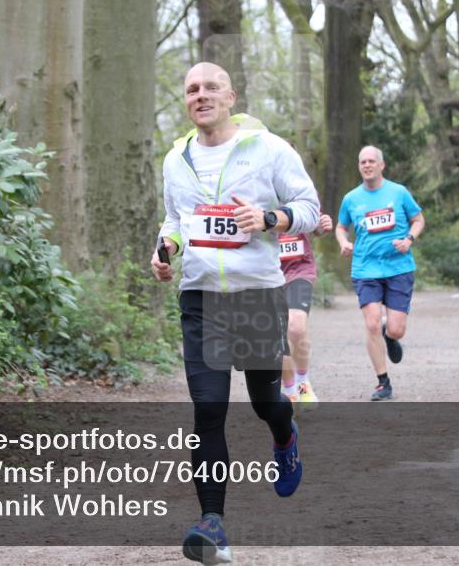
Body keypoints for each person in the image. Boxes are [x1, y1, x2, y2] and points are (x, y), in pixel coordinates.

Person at [151, 62, 320, 565]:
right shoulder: (174, 160)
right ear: (186, 101)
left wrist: (271, 218)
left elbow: (308, 205)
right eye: (191, 89)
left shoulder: (268, 149)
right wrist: (166, 247)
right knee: (208, 410)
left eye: (210, 88)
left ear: (231, 96)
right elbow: (175, 218)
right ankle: (213, 523)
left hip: (256, 295)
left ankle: (285, 434)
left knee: (266, 400)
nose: (200, 96)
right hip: (201, 298)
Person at [335, 146, 424, 401]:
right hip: (365, 268)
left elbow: (418, 220)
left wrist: (409, 239)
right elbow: (341, 227)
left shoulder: (399, 192)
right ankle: (383, 382)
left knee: (396, 330)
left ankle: (390, 335)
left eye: (371, 161)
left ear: (381, 165)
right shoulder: (351, 198)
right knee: (371, 322)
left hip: (398, 267)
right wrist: (343, 242)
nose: (367, 165)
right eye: (362, 161)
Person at [279, 212, 333, 407]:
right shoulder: (249, 188)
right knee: (279, 335)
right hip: (266, 273)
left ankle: (303, 383)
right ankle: (290, 391)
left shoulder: (294, 185)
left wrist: (321, 225)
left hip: (298, 270)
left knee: (296, 326)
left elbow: (314, 224)